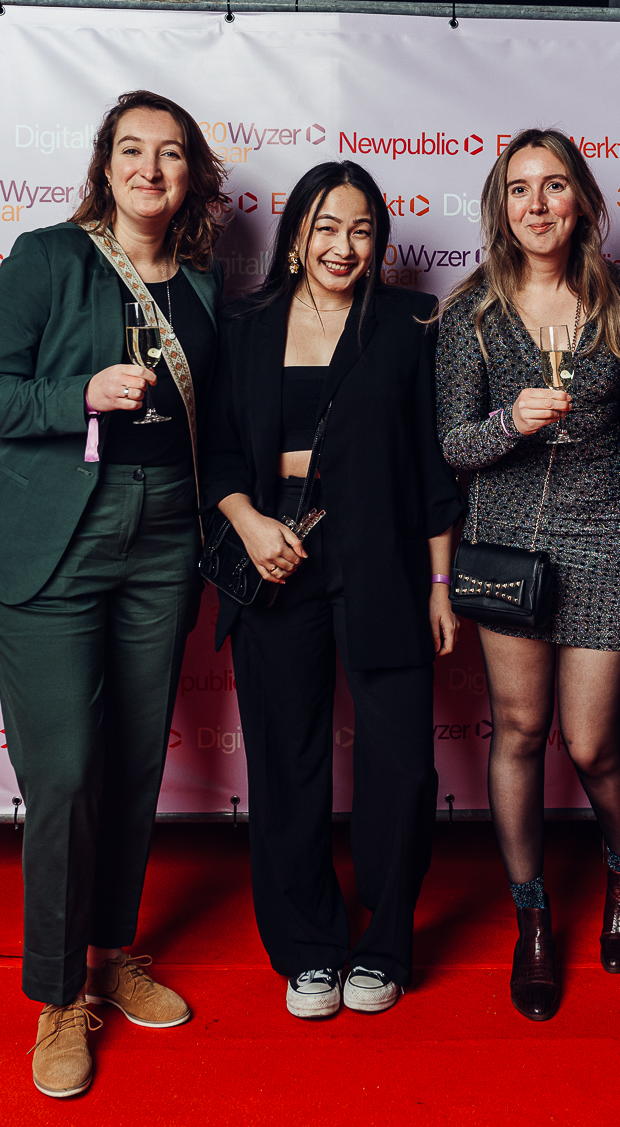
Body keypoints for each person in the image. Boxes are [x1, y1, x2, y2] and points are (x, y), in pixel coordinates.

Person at [0, 89, 224, 1099]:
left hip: (163, 539)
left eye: (170, 154)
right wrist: (80, 396)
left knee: (134, 759)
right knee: (65, 772)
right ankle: (59, 993)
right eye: (132, 150)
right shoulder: (48, 258)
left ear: (191, 175)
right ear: (104, 165)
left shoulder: (204, 289)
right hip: (50, 540)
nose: (150, 169)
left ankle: (112, 953)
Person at [202, 160, 463, 1019]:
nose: (342, 245)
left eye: (360, 229)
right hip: (275, 555)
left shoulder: (409, 324)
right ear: (295, 239)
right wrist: (247, 520)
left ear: (378, 240)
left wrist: (439, 584)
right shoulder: (245, 325)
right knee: (287, 757)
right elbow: (216, 449)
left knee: (401, 762)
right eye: (325, 227)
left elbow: (430, 466)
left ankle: (385, 940)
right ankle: (308, 946)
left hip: (383, 558)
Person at [436, 127, 620, 1022]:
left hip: (602, 535)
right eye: (519, 188)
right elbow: (452, 446)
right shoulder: (471, 314)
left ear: (582, 201)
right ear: (502, 207)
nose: (537, 203)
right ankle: (532, 917)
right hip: (506, 543)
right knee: (520, 732)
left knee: (592, 743)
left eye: (554, 185)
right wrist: (510, 422)